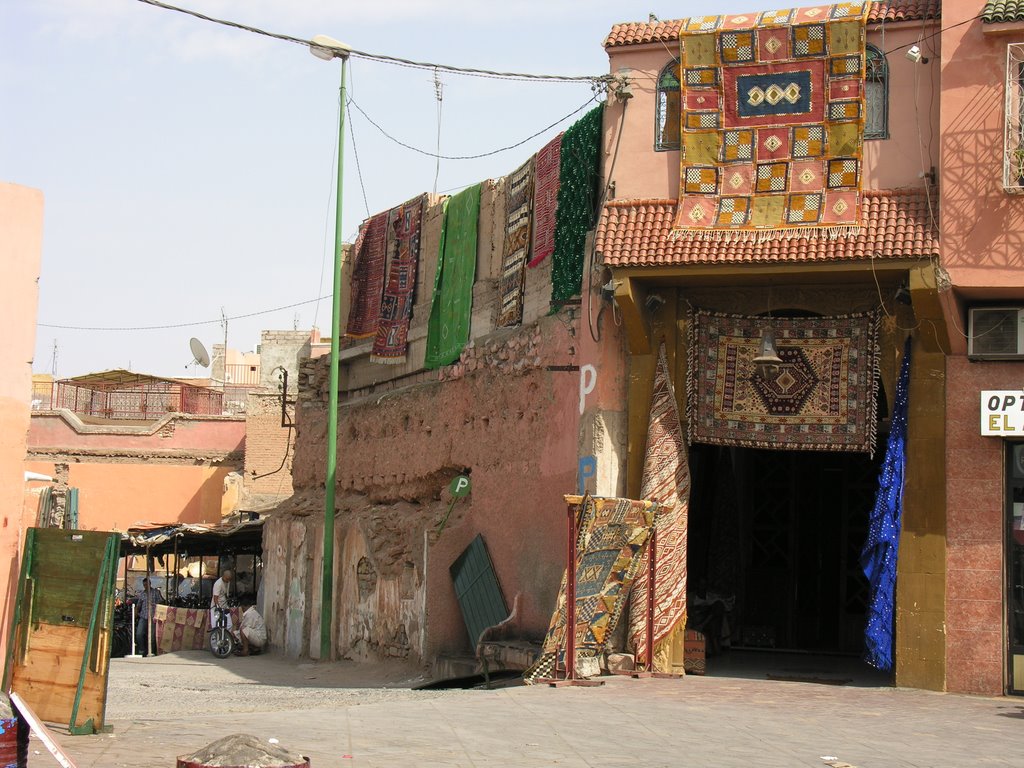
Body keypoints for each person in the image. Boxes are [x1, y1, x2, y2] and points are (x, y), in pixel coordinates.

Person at [135, 577, 164, 658]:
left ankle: (151, 651)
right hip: (143, 616)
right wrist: (136, 612)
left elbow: (162, 601)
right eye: (144, 585)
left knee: (151, 636)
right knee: (139, 633)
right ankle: (141, 650)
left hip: (153, 616)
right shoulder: (142, 594)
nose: (145, 586)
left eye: (146, 584)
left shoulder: (155, 592)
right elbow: (138, 605)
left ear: (150, 584)